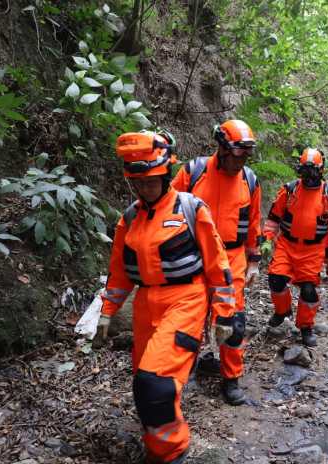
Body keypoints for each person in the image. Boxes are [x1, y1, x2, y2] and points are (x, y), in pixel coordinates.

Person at [96, 130, 238, 464]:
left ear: (165, 175)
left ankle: (173, 452)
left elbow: (218, 266)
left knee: (155, 385)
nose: (145, 189)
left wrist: (224, 313)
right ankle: (156, 442)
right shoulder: (129, 217)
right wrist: (107, 311)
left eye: (151, 181)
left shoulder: (190, 209)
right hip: (146, 304)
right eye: (139, 183)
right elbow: (119, 271)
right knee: (144, 384)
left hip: (186, 300)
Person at [171, 119, 261, 406]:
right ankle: (180, 375)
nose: (242, 160)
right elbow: (168, 209)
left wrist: (254, 260)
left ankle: (231, 379)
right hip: (194, 256)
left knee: (234, 320)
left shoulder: (249, 180)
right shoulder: (193, 172)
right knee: (189, 319)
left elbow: (253, 222)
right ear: (222, 148)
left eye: (247, 154)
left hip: (231, 259)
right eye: (238, 153)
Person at [260, 148, 328, 346]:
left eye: (312, 171)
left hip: (313, 249)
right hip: (287, 244)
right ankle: (282, 311)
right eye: (305, 172)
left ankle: (305, 326)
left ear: (321, 170)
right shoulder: (290, 190)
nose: (308, 177)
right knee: (276, 279)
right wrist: (267, 239)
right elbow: (274, 217)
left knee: (308, 289)